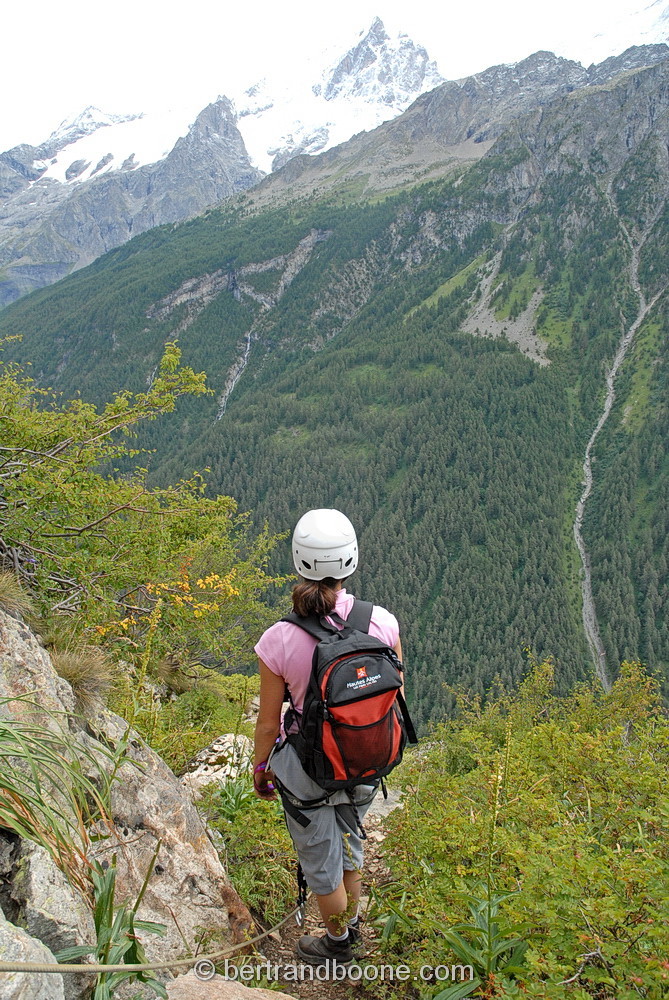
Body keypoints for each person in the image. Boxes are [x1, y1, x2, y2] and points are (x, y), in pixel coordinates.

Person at [253, 508, 402, 967]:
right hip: (365, 756)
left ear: (298, 562)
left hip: (309, 770)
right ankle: (352, 928)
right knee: (351, 842)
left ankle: (339, 946)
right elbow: (394, 694)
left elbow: (267, 720)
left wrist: (261, 768)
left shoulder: (279, 639)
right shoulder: (383, 623)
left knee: (321, 859)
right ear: (351, 561)